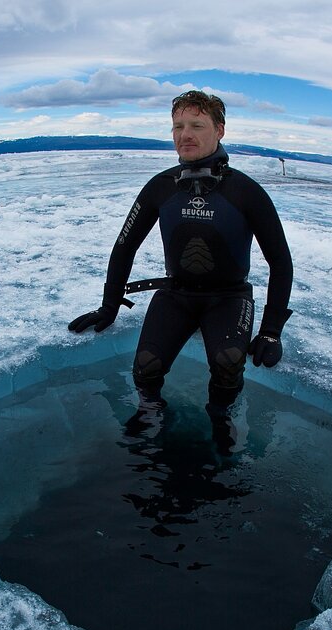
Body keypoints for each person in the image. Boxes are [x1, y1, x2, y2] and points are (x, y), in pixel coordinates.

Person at [68, 90, 294, 442]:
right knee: (146, 366)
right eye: (177, 126)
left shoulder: (246, 192)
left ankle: (220, 416)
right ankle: (150, 408)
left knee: (228, 361)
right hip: (176, 293)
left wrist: (271, 331)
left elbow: (280, 261)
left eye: (196, 125)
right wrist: (109, 305)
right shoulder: (160, 187)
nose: (184, 134)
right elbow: (124, 246)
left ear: (219, 130)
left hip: (229, 296)